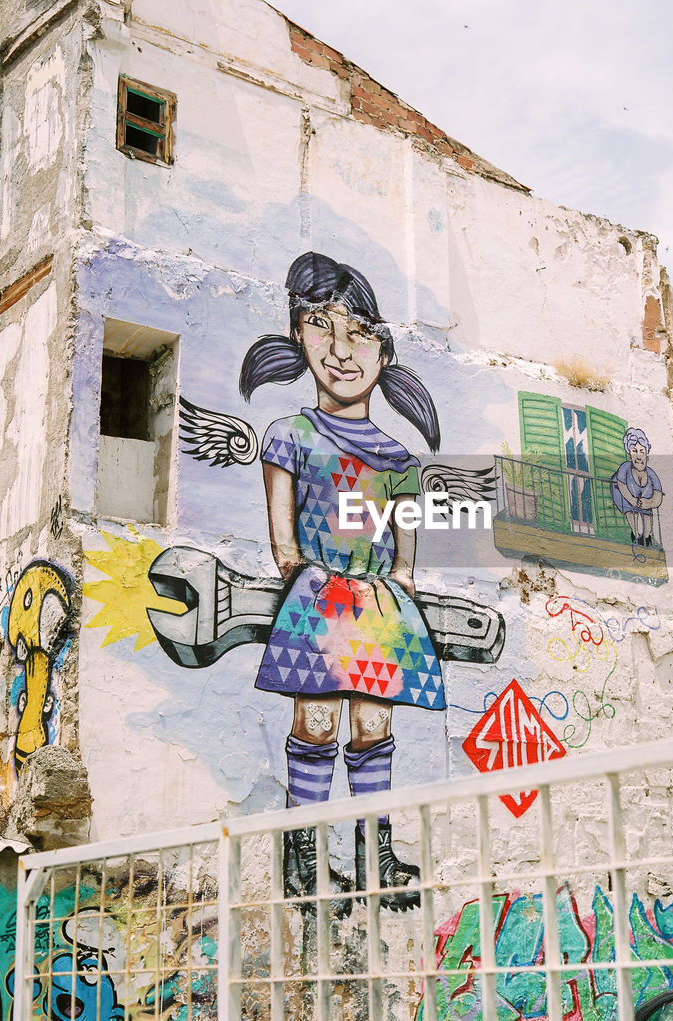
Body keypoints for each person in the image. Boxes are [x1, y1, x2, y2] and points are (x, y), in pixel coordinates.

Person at [239, 252, 442, 913]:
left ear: (383, 351)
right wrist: (301, 568)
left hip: (380, 602)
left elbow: (405, 548)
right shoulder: (289, 435)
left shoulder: (398, 459)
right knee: (319, 720)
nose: (341, 347)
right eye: (322, 325)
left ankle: (373, 853)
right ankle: (306, 858)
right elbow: (283, 540)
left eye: (358, 331)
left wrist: (400, 580)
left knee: (374, 723)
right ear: (298, 335)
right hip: (322, 595)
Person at [610, 427, 664, 547]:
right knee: (631, 512)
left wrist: (648, 503)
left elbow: (658, 496)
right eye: (634, 451)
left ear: (646, 453)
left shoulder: (651, 474)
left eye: (641, 451)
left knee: (647, 519)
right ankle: (635, 534)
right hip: (623, 494)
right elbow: (621, 485)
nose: (638, 456)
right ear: (630, 454)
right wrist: (632, 500)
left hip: (645, 498)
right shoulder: (625, 468)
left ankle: (646, 538)